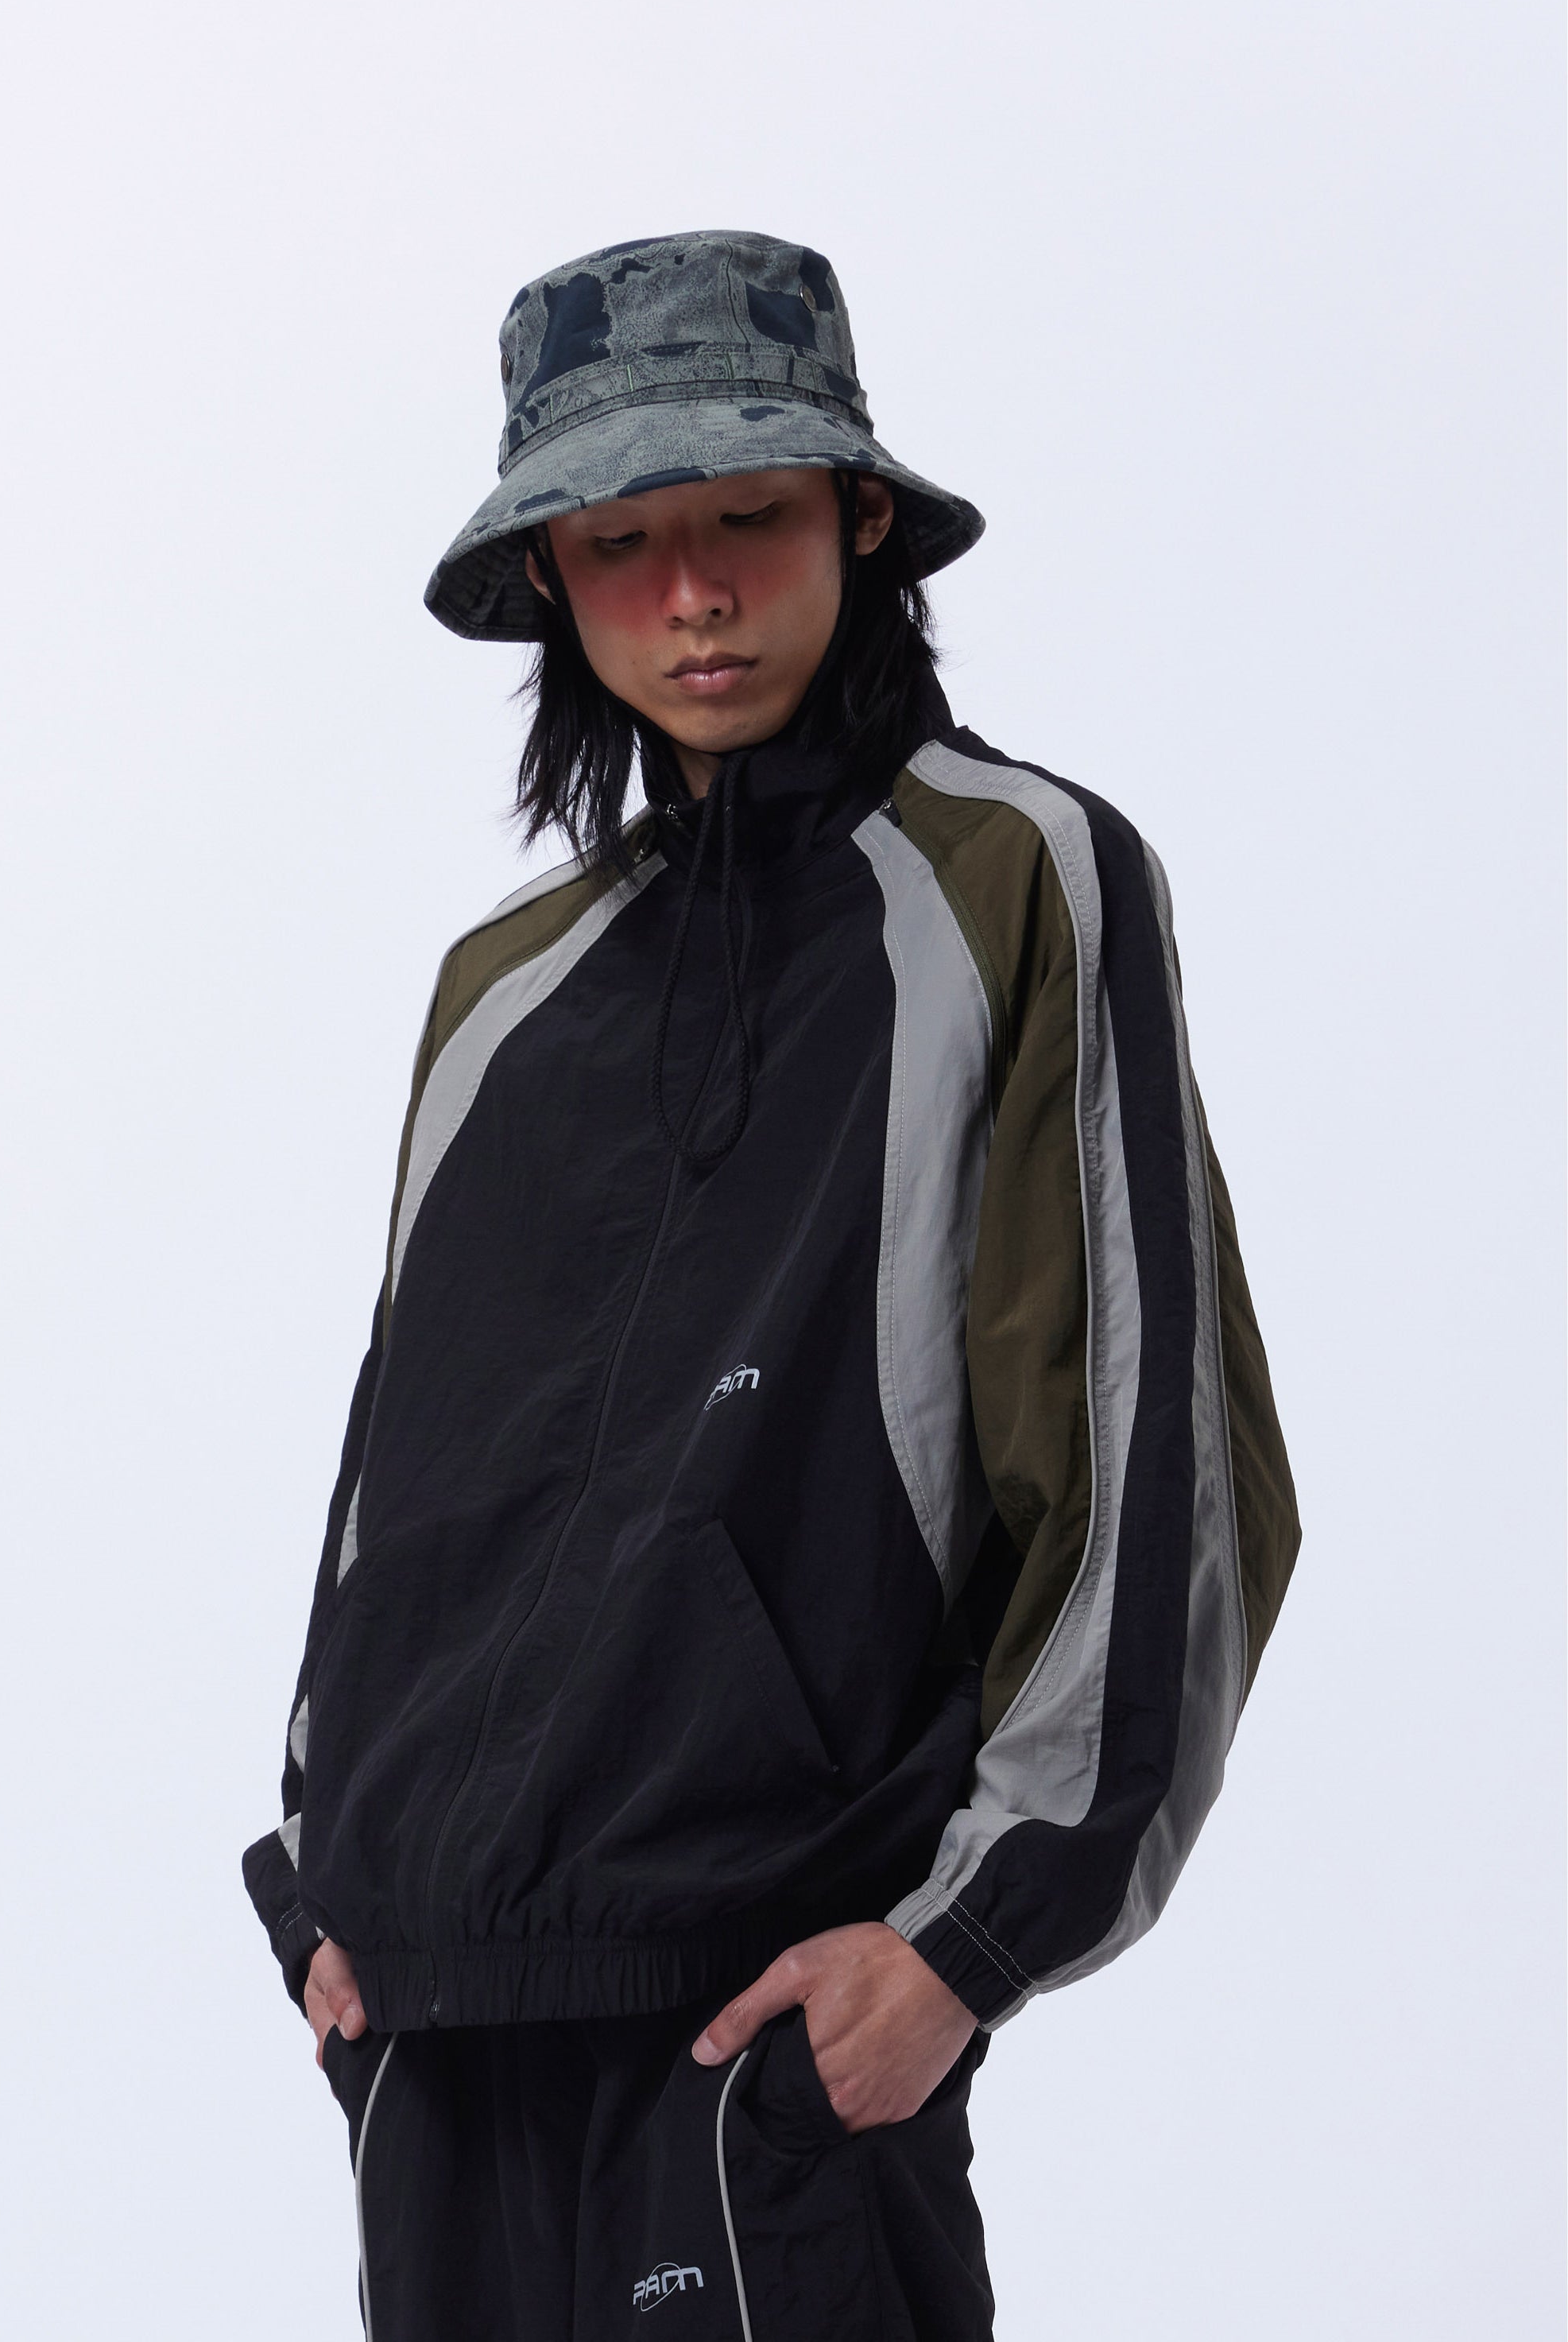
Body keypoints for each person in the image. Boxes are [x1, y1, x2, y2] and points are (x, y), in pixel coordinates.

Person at [243, 229, 1300, 2341]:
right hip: (435, 2036)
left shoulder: (1017, 876)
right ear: (551, 576)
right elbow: (397, 1477)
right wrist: (315, 1873)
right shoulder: (503, 987)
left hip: (761, 2036)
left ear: (859, 519)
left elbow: (1146, 1453)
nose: (696, 593)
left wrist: (969, 1949)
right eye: (623, 541)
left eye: (746, 516)